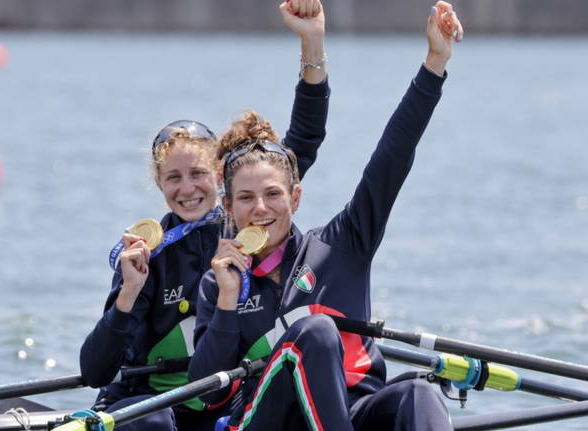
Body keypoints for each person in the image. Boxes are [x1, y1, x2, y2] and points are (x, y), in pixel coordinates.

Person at [189, 2, 463, 430]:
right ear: (228, 207)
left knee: (418, 391)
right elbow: (206, 396)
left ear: (295, 198)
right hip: (265, 419)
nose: (260, 209)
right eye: (246, 198)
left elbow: (391, 157)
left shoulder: (342, 244)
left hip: (351, 411)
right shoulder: (218, 281)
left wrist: (435, 63)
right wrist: (227, 302)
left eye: (273, 194)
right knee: (315, 332)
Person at [79, 1, 329, 430]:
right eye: (173, 178)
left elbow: (304, 138)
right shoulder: (146, 254)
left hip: (225, 403)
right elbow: (94, 372)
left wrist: (312, 42)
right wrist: (127, 293)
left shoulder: (249, 216)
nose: (187, 188)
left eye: (197, 173)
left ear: (219, 178)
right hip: (149, 406)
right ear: (159, 185)